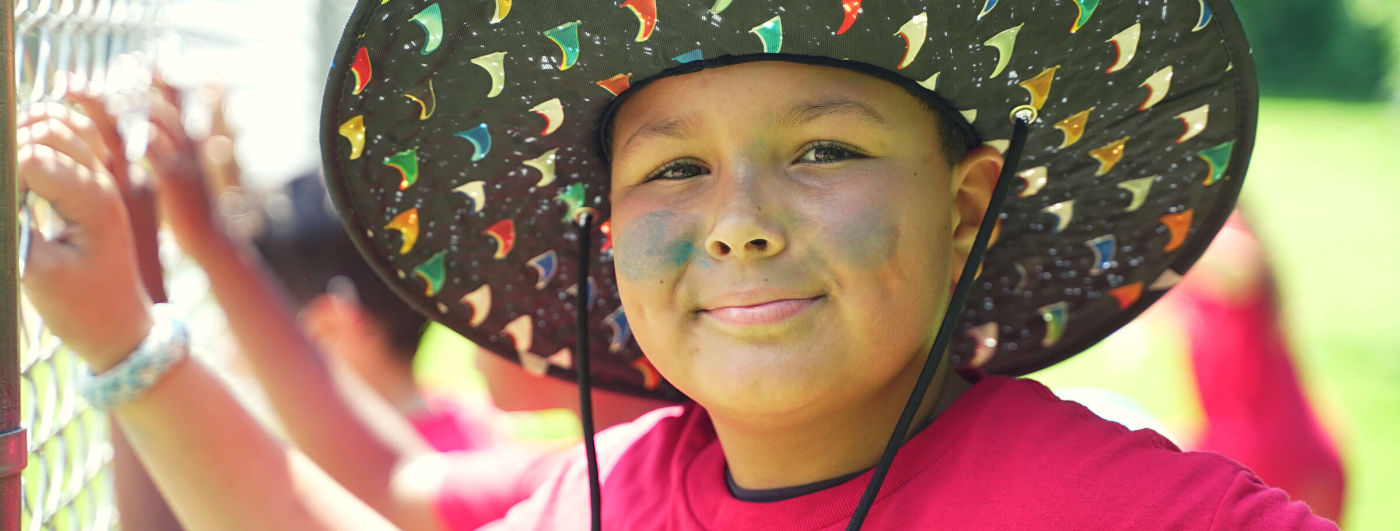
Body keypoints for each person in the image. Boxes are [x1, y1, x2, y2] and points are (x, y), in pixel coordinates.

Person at [17, 1, 1339, 530]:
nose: (739, 222)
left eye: (824, 149)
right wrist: (123, 333)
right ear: (602, 227)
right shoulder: (610, 492)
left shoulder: (1124, 509)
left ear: (967, 206)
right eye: (671, 169)